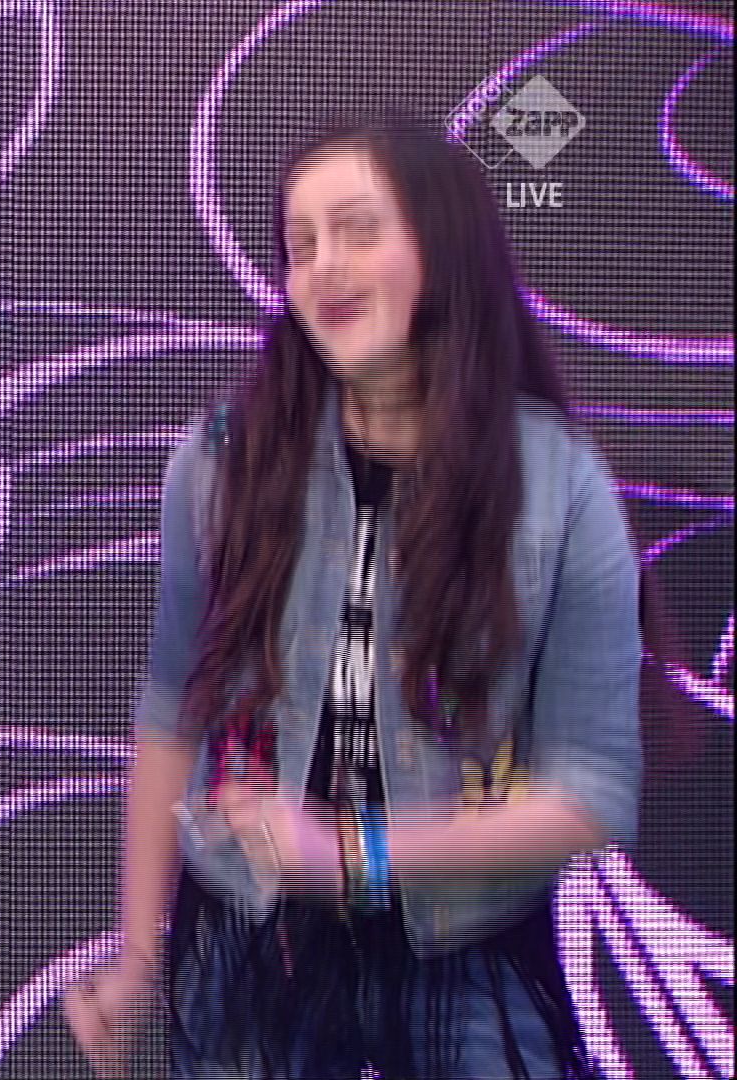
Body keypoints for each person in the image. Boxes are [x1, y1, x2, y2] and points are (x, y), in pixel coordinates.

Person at [61, 113, 642, 1078]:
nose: (324, 266)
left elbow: (592, 790)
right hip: (253, 937)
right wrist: (136, 957)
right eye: (301, 245)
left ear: (442, 250)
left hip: (467, 944)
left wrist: (353, 852)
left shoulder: (559, 485)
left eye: (360, 230)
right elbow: (172, 713)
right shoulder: (220, 465)